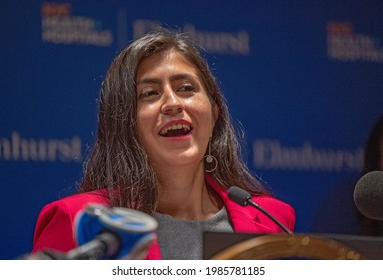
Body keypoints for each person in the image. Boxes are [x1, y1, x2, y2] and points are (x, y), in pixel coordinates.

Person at [31, 27, 295, 260]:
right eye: (150, 93)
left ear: (214, 113)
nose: (173, 103)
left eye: (186, 88)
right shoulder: (79, 222)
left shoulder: (274, 220)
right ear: (124, 122)